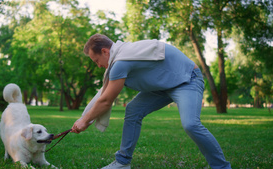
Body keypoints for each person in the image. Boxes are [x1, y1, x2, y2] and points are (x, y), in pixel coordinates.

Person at [71, 34, 231, 169]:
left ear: (105, 51)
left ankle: (221, 167)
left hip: (187, 79)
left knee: (191, 124)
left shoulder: (121, 61)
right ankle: (122, 162)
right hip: (162, 86)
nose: (98, 66)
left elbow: (106, 100)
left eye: (96, 60)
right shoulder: (120, 56)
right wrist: (84, 118)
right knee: (133, 110)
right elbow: (102, 96)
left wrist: (84, 121)